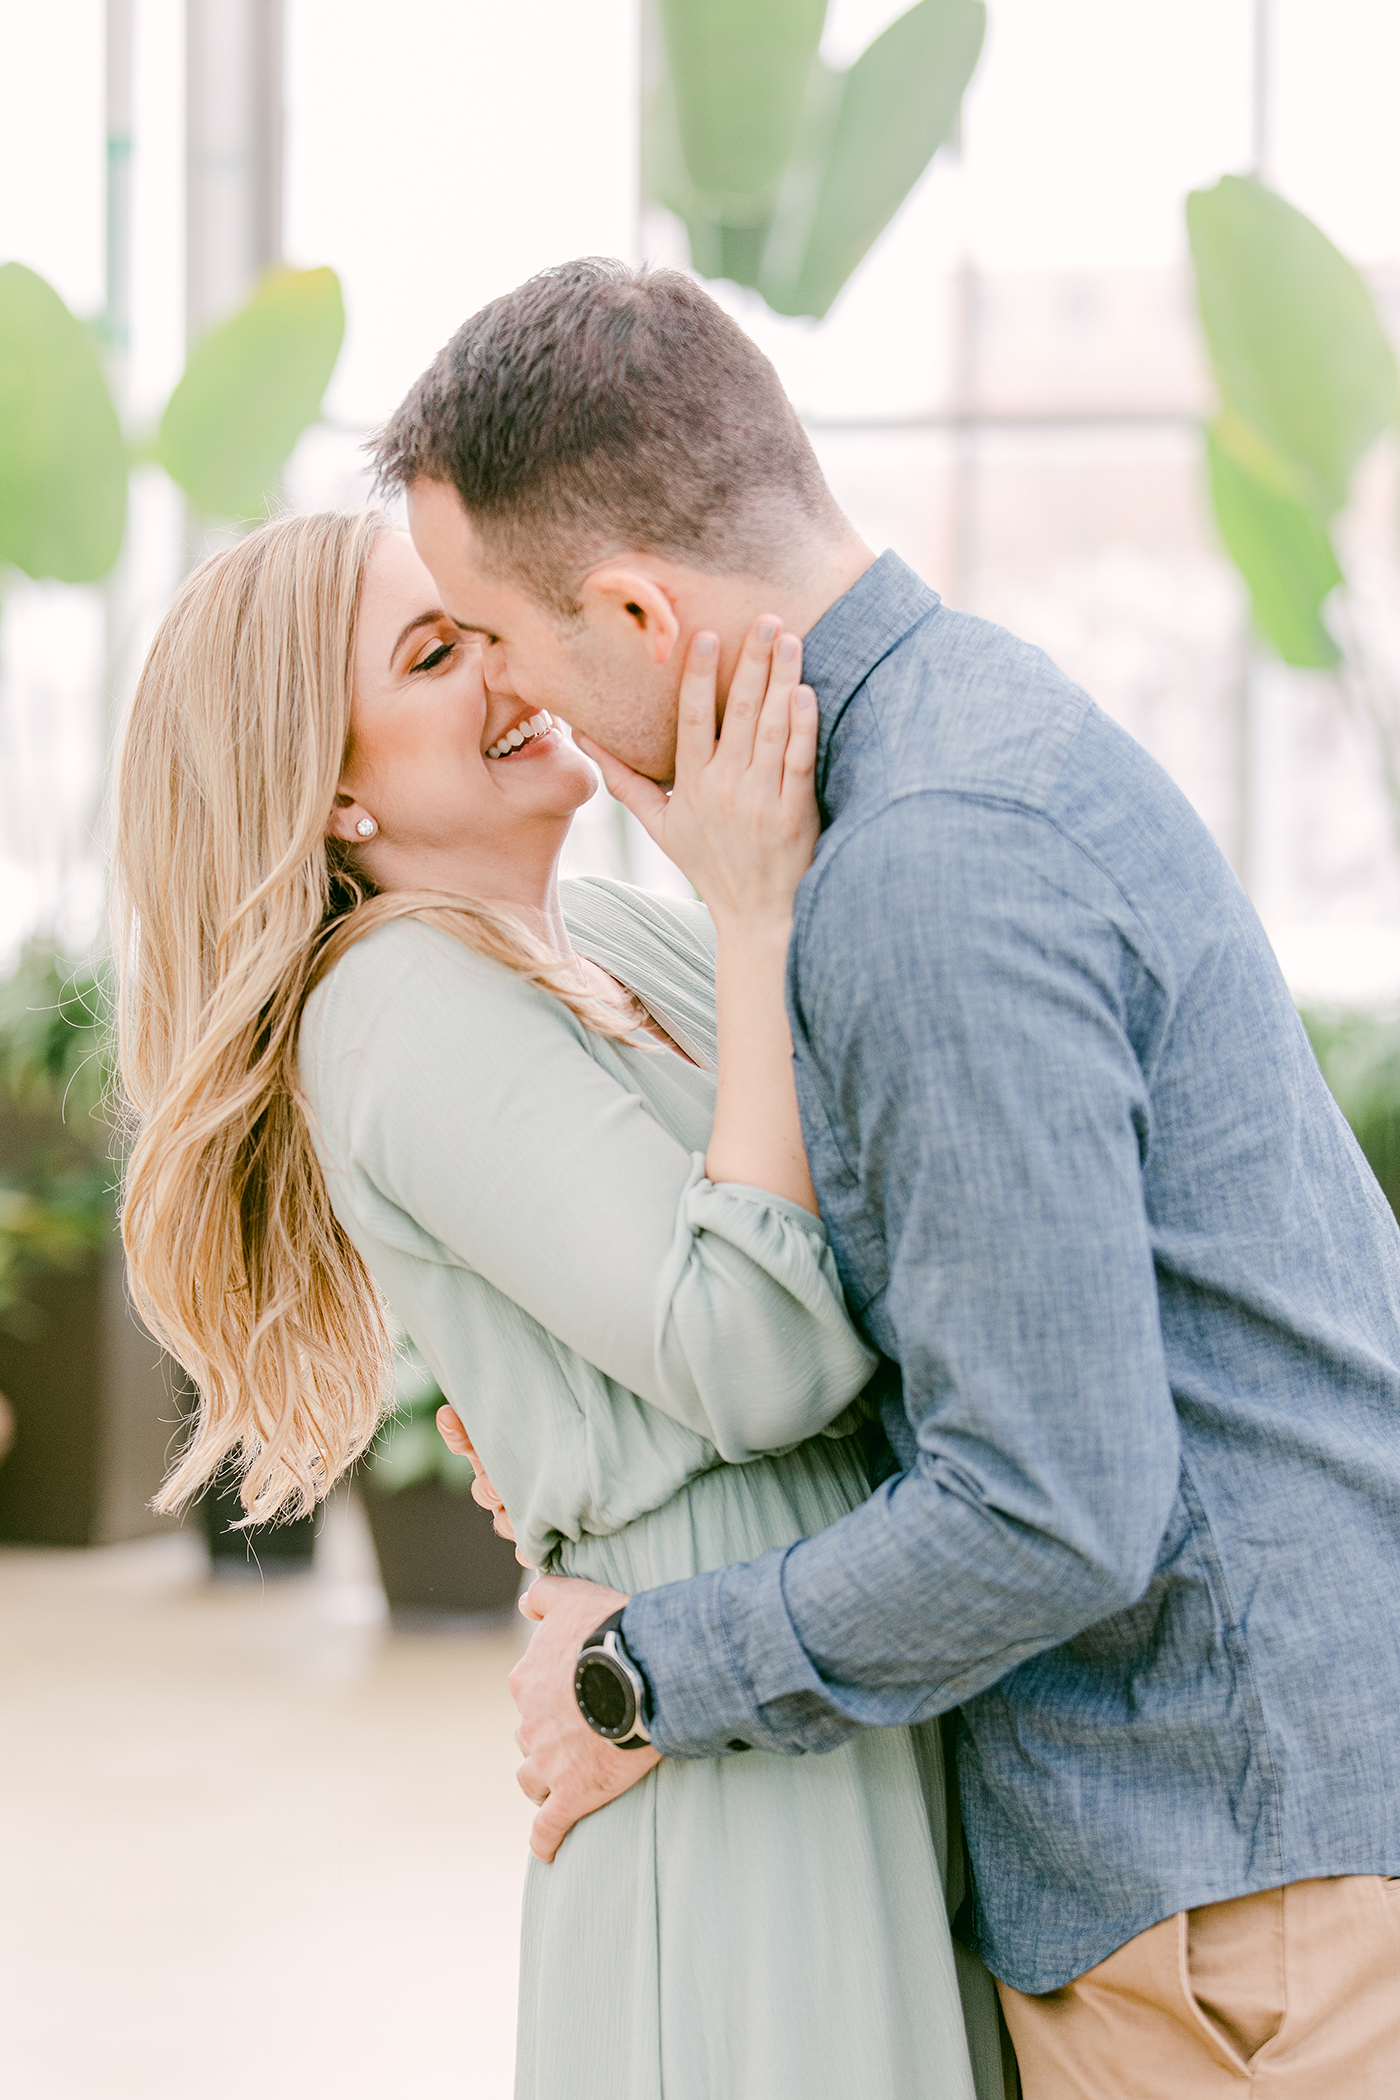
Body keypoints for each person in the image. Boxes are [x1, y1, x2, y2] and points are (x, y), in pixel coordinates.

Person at [374, 258, 1400, 2097]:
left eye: (498, 636)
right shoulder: (960, 746)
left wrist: (645, 1674)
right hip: (1259, 1843)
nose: (514, 697)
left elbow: (1053, 1501)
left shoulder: (928, 867)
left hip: (1233, 1902)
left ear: (633, 604)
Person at [111, 507, 1010, 2100]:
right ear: (331, 794)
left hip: (812, 1668)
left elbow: (869, 1181)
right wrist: (753, 902)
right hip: (727, 1759)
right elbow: (761, 1352)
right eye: (431, 653)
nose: (505, 668)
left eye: (489, 627)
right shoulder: (394, 1002)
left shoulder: (596, 936)